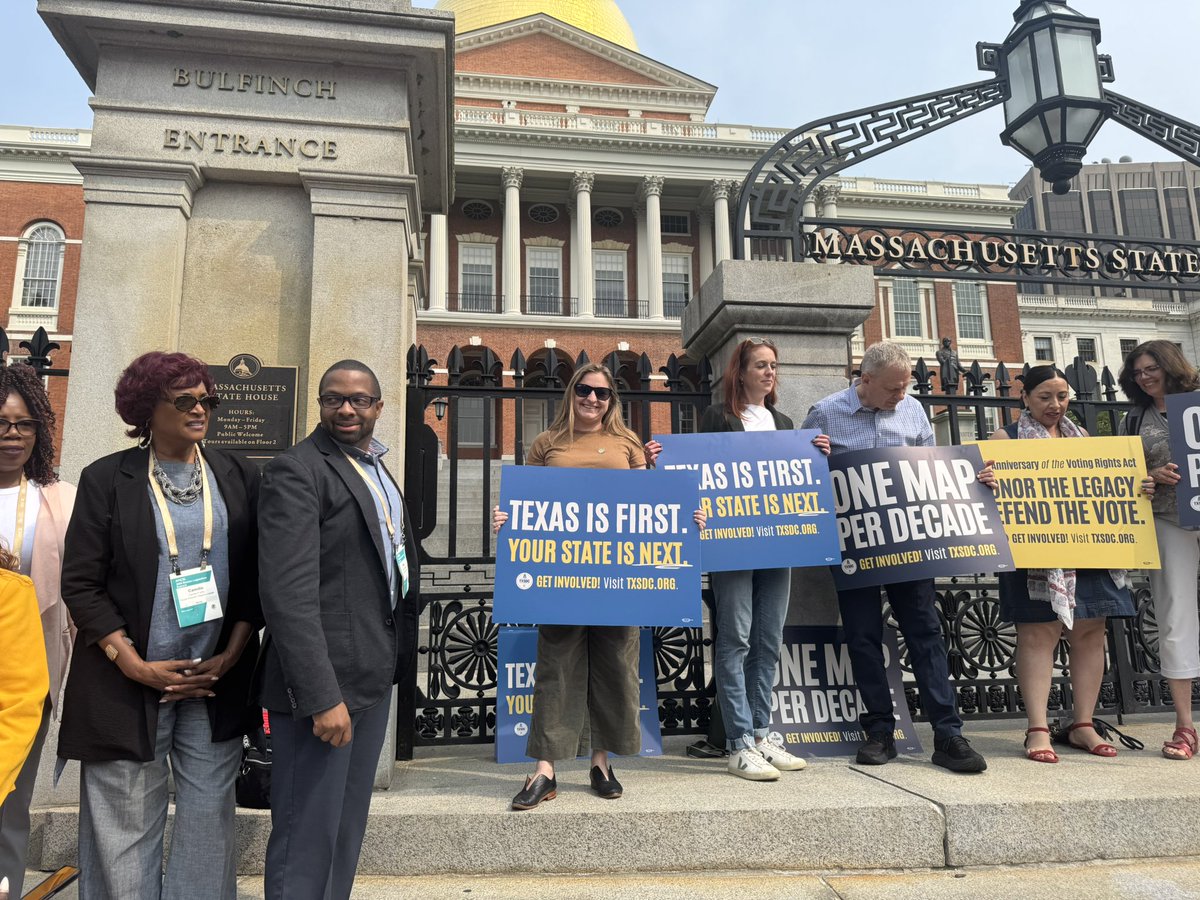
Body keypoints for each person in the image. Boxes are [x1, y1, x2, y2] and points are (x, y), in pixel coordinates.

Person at [58, 351, 262, 900]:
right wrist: (136, 664)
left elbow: (253, 579)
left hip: (210, 683)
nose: (201, 409)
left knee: (207, 821)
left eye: (207, 399)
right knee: (124, 824)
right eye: (186, 400)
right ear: (148, 408)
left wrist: (232, 654)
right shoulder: (107, 478)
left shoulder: (238, 473)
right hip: (128, 683)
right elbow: (81, 584)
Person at [493, 363, 704, 809]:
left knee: (615, 666)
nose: (593, 399)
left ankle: (600, 762)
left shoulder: (629, 445)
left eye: (602, 394)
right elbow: (528, 501)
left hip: (620, 578)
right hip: (560, 575)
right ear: (571, 393)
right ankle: (545, 770)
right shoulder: (546, 444)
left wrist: (686, 519)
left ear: (613, 401)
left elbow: (652, 509)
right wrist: (507, 520)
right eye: (585, 391)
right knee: (556, 667)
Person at [257, 359, 419, 900]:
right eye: (333, 398)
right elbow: (288, 594)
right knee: (308, 836)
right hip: (324, 688)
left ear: (378, 405)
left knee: (344, 833)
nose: (345, 408)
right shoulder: (297, 470)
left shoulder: (377, 468)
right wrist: (320, 695)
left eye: (358, 399)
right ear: (320, 404)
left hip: (370, 675)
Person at [801, 340, 988, 773]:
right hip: (856, 543)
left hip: (911, 542)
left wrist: (973, 478)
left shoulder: (914, 410)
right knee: (863, 637)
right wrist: (815, 458)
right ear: (864, 380)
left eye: (904, 388)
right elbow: (802, 473)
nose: (900, 396)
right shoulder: (826, 412)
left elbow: (935, 467)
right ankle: (880, 732)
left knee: (924, 631)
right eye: (892, 389)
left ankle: (948, 733)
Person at [677, 337, 828, 780]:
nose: (769, 372)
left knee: (767, 639)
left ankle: (763, 733)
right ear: (739, 372)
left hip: (778, 543)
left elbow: (796, 478)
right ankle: (739, 742)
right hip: (733, 543)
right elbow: (697, 470)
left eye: (774, 365)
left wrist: (817, 457)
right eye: (760, 365)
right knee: (735, 639)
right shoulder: (718, 417)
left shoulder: (784, 422)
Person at [991, 365, 1143, 762]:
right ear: (1024, 398)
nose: (1055, 405)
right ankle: (1038, 728)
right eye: (1045, 397)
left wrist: (1136, 483)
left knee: (1092, 632)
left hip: (1088, 549)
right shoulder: (1004, 439)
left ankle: (1082, 724)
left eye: (1062, 396)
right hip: (1036, 555)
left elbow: (1108, 487)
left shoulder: (1085, 439)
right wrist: (986, 480)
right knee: (1039, 634)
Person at [0, 364, 76, 900]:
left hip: (26, 674)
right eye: (1, 423)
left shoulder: (59, 499)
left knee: (11, 796)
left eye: (24, 425)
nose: (12, 436)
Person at [1118, 339, 1200, 761]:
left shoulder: (1196, 403)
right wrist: (1149, 477)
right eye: (1137, 372)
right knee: (1174, 617)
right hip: (1168, 520)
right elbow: (1125, 478)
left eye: (1152, 368)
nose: (1145, 376)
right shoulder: (1135, 418)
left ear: (1170, 365)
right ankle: (1185, 725)